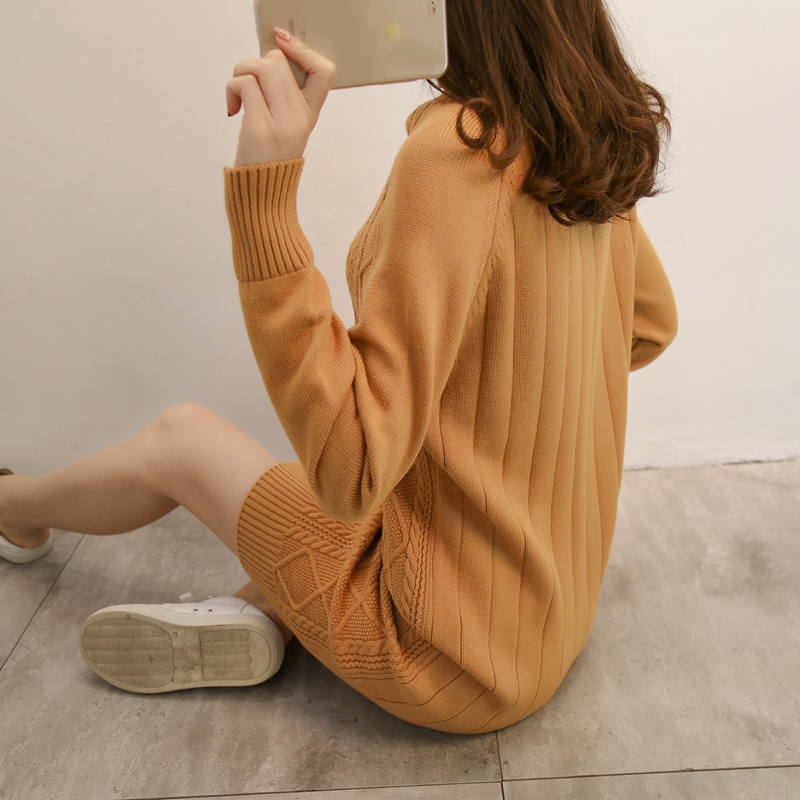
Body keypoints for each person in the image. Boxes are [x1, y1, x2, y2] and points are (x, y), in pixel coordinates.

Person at [0, 0, 677, 734]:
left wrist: (265, 196)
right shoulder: (581, 139)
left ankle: (14, 511)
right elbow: (648, 325)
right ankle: (262, 612)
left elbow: (352, 471)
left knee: (181, 438)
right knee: (340, 517)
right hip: (551, 618)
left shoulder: (460, 153)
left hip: (445, 659)